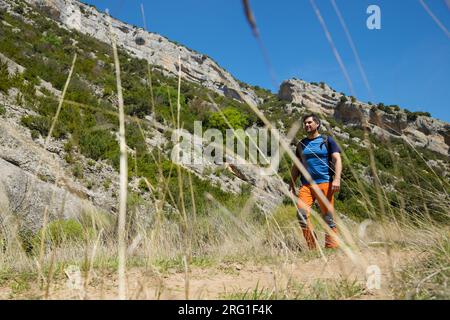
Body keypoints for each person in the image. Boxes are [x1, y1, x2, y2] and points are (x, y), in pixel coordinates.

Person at [289, 114, 342, 249]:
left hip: (325, 183)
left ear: (317, 124)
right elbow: (296, 166)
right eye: (305, 123)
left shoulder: (327, 141)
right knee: (301, 215)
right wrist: (291, 183)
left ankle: (331, 247)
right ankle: (313, 247)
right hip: (306, 186)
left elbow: (337, 159)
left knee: (328, 218)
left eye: (310, 122)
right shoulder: (301, 144)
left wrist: (336, 179)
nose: (307, 125)